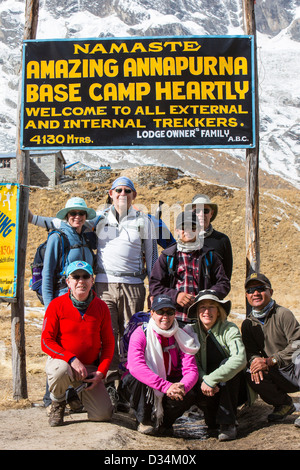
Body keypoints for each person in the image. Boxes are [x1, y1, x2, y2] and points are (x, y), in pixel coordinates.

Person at [29, 176, 158, 407]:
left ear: (134, 195)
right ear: (110, 193)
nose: (122, 193)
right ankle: (106, 386)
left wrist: (154, 290)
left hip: (134, 286)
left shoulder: (145, 221)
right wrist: (31, 218)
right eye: (118, 189)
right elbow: (64, 224)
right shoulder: (98, 220)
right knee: (104, 337)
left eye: (127, 190)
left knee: (130, 339)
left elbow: (152, 256)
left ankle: (129, 389)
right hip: (103, 286)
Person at [41, 260, 115, 427]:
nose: (81, 281)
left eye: (85, 276)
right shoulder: (56, 305)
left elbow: (109, 344)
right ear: (68, 281)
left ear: (92, 280)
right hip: (65, 364)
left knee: (102, 415)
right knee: (58, 370)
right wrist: (71, 359)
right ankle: (58, 402)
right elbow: (46, 341)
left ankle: (75, 394)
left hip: (88, 369)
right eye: (75, 277)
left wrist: (101, 373)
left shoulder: (101, 307)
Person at [121, 294, 199, 436]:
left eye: (169, 312)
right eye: (160, 312)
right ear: (152, 313)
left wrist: (182, 386)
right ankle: (144, 420)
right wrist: (165, 386)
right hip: (149, 383)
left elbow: (191, 370)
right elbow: (135, 366)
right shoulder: (140, 333)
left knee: (190, 391)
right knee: (135, 378)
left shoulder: (182, 335)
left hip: (171, 384)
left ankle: (166, 423)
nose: (165, 316)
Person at [185, 290, 247, 441]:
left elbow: (240, 359)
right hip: (206, 389)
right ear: (197, 311)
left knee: (228, 364)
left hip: (231, 388)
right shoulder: (190, 331)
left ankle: (228, 423)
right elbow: (193, 363)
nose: (207, 311)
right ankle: (213, 419)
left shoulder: (230, 329)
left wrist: (211, 379)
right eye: (202, 307)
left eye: (211, 306)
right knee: (211, 425)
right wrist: (205, 380)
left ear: (219, 311)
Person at [149, 211, 230, 325]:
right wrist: (176, 296)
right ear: (177, 230)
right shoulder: (167, 256)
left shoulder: (209, 255)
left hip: (203, 320)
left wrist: (205, 297)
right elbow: (155, 287)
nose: (188, 231)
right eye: (183, 227)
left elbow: (224, 283)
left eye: (192, 227)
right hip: (174, 320)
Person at [241, 273, 300, 427]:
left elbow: (297, 343)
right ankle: (284, 404)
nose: (255, 293)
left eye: (260, 289)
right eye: (250, 290)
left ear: (270, 292)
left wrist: (272, 360)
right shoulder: (248, 324)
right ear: (246, 295)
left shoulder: (283, 314)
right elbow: (250, 351)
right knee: (250, 371)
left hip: (293, 368)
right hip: (275, 372)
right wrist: (255, 362)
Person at [41, 196, 96, 310]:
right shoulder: (57, 238)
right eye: (73, 213)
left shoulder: (86, 238)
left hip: (87, 300)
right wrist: (49, 308)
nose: (77, 216)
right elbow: (47, 273)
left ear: (86, 216)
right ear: (67, 216)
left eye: (81, 213)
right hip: (63, 299)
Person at [186, 194, 233, 280]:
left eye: (205, 211)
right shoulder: (184, 239)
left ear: (211, 213)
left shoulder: (222, 240)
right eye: (197, 211)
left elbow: (226, 276)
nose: (201, 214)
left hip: (213, 292)